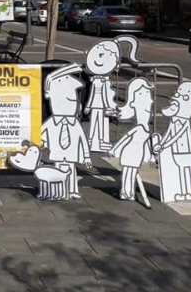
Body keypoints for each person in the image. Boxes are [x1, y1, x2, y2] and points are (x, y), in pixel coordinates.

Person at [42, 63, 92, 199]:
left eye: (73, 100)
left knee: (71, 170)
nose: (71, 104)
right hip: (57, 153)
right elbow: (40, 134)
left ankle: (72, 189)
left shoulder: (75, 123)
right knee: (57, 170)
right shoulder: (52, 122)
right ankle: (59, 190)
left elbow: (82, 139)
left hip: (71, 153)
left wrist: (86, 156)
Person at [84, 36, 141, 152]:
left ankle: (99, 140)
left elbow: (104, 95)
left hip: (101, 105)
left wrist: (107, 106)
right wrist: (89, 106)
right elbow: (94, 95)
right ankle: (94, 140)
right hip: (97, 105)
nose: (98, 60)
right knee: (96, 122)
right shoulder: (97, 80)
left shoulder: (103, 81)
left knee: (100, 122)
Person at [152, 81, 191, 202]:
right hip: (177, 151)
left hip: (186, 151)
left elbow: (176, 136)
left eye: (185, 97)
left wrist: (164, 145)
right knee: (182, 170)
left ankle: (188, 192)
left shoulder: (184, 122)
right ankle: (182, 191)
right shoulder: (175, 120)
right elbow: (169, 133)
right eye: (179, 94)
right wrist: (162, 143)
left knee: (187, 171)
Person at [110, 78, 155, 201]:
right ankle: (125, 192)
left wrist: (150, 156)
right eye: (142, 95)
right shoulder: (139, 127)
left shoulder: (144, 127)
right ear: (133, 104)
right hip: (130, 154)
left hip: (137, 155)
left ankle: (128, 192)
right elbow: (125, 139)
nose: (149, 102)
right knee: (127, 173)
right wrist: (115, 149)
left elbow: (145, 144)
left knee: (131, 173)